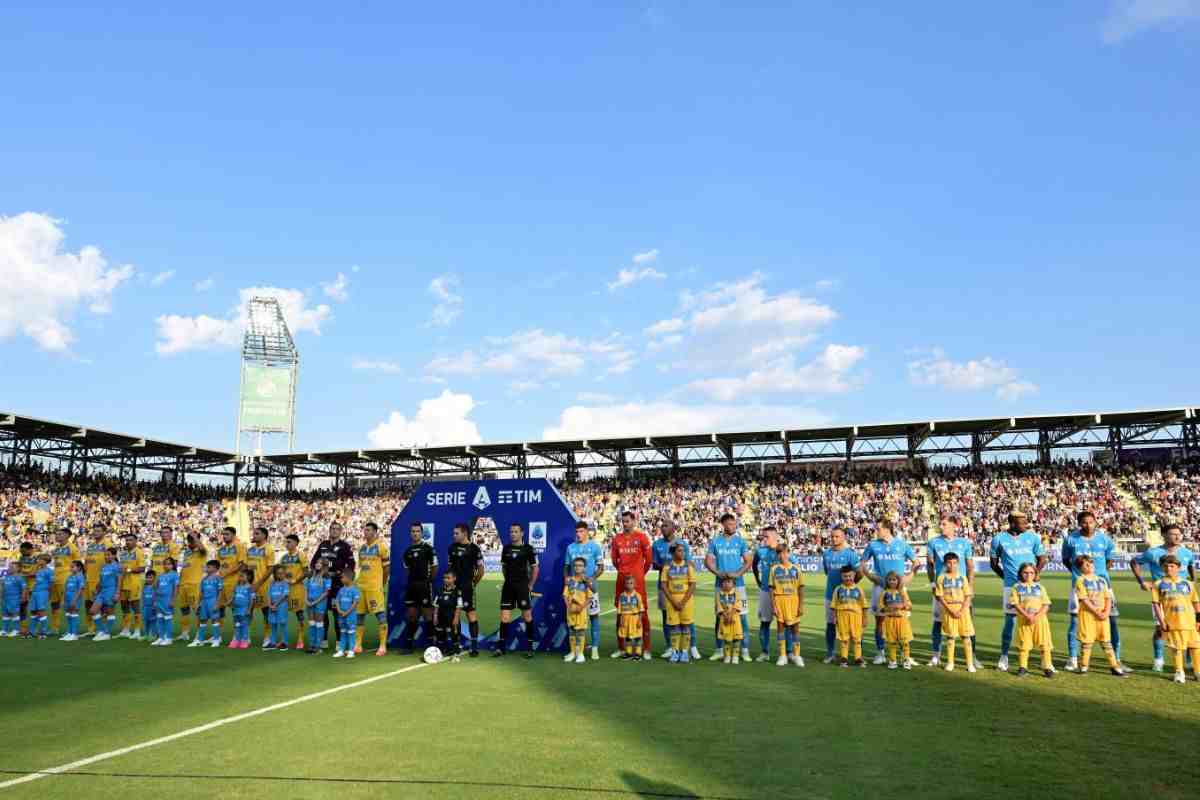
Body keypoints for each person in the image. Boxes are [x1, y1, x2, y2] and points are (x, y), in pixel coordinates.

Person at [1131, 522, 1195, 672]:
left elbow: (1191, 565)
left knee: (1188, 628)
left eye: (1179, 533)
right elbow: (1134, 561)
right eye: (1173, 534)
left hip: (1184, 598)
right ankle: (1159, 659)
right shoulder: (1153, 552)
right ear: (1164, 536)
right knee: (1161, 629)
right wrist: (1142, 581)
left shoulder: (1187, 553)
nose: (1177, 536)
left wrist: (1193, 581)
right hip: (1162, 597)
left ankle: (1188, 661)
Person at [1061, 511, 1121, 672]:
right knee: (1075, 622)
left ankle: (1117, 659)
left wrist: (1099, 575)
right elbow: (1066, 560)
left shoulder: (1104, 539)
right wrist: (1078, 574)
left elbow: (1110, 559)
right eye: (1084, 522)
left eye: (1091, 522)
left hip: (1103, 586)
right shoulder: (1070, 539)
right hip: (1079, 587)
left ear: (1096, 522)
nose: (1088, 525)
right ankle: (1073, 659)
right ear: (1079, 523)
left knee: (1112, 622)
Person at [989, 511, 1048, 672]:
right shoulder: (998, 539)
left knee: (1039, 621)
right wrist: (1006, 578)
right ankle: (1004, 656)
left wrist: (1036, 575)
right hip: (1011, 587)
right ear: (1012, 523)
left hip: (1032, 587)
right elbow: (993, 564)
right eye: (1022, 522)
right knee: (1010, 621)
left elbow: (1042, 558)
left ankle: (1045, 660)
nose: (1026, 525)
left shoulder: (1033, 537)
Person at [859, 519, 916, 665]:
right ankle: (881, 653)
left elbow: (917, 563)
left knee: (902, 619)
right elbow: (862, 564)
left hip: (899, 588)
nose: (876, 531)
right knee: (879, 620)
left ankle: (905, 655)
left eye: (878, 528)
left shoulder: (902, 544)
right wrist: (872, 577)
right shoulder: (873, 545)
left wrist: (908, 578)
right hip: (880, 588)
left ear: (887, 529)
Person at [926, 513, 976, 668]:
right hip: (943, 589)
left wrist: (971, 586)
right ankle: (936, 655)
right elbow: (929, 565)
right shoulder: (933, 542)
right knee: (937, 622)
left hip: (962, 591)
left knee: (968, 624)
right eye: (940, 524)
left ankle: (972, 657)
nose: (941, 527)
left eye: (944, 524)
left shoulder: (965, 543)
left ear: (955, 525)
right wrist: (933, 584)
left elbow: (970, 566)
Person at [705, 513, 752, 662]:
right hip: (720, 586)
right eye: (730, 524)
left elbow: (748, 561)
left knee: (742, 617)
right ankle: (719, 650)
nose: (733, 526)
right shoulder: (715, 542)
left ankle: (744, 650)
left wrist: (738, 574)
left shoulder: (740, 541)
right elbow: (709, 561)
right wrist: (718, 572)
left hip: (738, 586)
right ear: (723, 524)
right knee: (720, 618)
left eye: (734, 523)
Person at [1072, 555, 1128, 677]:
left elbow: (1108, 598)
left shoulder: (1102, 580)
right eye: (1086, 564)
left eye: (1091, 563)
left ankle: (1115, 667)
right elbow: (1084, 599)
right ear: (1080, 568)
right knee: (1087, 642)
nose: (1090, 566)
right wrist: (1096, 612)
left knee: (1106, 642)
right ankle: (1084, 667)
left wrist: (1107, 612)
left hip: (1103, 616)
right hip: (1088, 615)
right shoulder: (1080, 580)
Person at [1151, 555, 1200, 684]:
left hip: (1190, 622)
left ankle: (1197, 672)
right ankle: (1179, 672)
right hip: (1173, 622)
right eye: (1166, 566)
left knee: (1195, 646)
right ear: (1162, 567)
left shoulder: (1188, 584)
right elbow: (1156, 604)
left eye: (1172, 566)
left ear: (1178, 568)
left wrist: (1199, 620)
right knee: (1177, 648)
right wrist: (1161, 622)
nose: (1169, 568)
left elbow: (1195, 602)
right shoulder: (1158, 584)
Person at [611, 511, 653, 660]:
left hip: (638, 582)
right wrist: (623, 571)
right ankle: (622, 648)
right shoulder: (617, 539)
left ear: (634, 521)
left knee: (642, 614)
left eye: (627, 521)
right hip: (621, 580)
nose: (625, 524)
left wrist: (639, 573)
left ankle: (646, 648)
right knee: (621, 614)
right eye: (623, 521)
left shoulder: (642, 537)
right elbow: (614, 560)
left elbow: (648, 560)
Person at [496, 523, 539, 658]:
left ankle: (530, 648)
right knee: (504, 617)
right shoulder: (506, 549)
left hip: (522, 587)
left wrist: (530, 585)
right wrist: (508, 580)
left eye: (515, 531)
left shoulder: (528, 549)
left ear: (522, 533)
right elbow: (504, 568)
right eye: (511, 531)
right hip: (508, 587)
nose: (513, 534)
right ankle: (501, 648)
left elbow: (535, 568)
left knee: (527, 617)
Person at [309, 522, 355, 650]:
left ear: (341, 531)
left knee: (336, 613)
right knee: (322, 613)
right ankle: (323, 639)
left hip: (336, 586)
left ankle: (339, 641)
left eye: (337, 529)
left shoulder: (345, 546)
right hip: (322, 586)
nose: (334, 531)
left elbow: (351, 565)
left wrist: (341, 576)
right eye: (332, 528)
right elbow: (313, 562)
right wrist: (317, 573)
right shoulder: (323, 545)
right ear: (329, 530)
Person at [566, 520, 606, 661]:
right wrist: (566, 579)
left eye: (581, 531)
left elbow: (601, 568)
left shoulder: (595, 547)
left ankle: (594, 648)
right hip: (575, 590)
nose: (578, 534)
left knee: (594, 617)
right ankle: (576, 650)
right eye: (576, 531)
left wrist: (591, 578)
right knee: (574, 617)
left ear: (587, 531)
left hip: (589, 588)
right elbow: (566, 567)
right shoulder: (570, 548)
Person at [820, 526, 860, 664]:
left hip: (849, 597)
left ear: (844, 537)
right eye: (832, 536)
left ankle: (853, 655)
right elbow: (827, 572)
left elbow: (858, 572)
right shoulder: (826, 554)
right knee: (830, 625)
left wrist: (851, 586)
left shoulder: (851, 554)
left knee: (850, 626)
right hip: (830, 595)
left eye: (837, 536)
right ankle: (830, 653)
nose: (834, 539)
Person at [933, 553, 975, 673]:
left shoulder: (962, 577)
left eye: (955, 563)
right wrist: (950, 610)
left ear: (958, 563)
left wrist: (962, 610)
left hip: (963, 609)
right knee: (950, 637)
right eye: (949, 563)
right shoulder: (941, 578)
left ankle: (970, 664)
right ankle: (950, 662)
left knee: (966, 637)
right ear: (945, 564)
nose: (952, 565)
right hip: (948, 609)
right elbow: (940, 597)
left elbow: (967, 595)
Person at [1010, 563, 1054, 678]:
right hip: (1024, 621)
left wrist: (1036, 616)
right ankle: (1023, 667)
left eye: (1031, 572)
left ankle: (1047, 667)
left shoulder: (1040, 587)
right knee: (1024, 644)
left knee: (1045, 644)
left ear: (1035, 574)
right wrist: (1027, 616)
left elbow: (1046, 605)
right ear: (1021, 573)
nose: (1028, 575)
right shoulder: (1016, 587)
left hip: (1040, 620)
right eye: (1025, 572)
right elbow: (1016, 604)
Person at [448, 522, 484, 657]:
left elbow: (481, 570)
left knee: (471, 615)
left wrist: (473, 583)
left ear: (465, 533)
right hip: (454, 588)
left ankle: (474, 647)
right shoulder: (451, 548)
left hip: (467, 587)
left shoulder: (475, 549)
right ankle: (455, 646)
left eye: (456, 533)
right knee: (453, 617)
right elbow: (450, 569)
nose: (454, 535)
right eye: (454, 533)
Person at [399, 522, 437, 654]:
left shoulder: (428, 548)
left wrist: (428, 581)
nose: (415, 533)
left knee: (428, 615)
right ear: (410, 534)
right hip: (411, 586)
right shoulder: (407, 552)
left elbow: (434, 567)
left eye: (417, 531)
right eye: (413, 531)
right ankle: (409, 645)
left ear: (422, 533)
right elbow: (407, 569)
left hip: (424, 586)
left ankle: (432, 645)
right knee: (412, 615)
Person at [355, 522, 390, 657]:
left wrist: (382, 584)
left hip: (375, 587)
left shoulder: (381, 547)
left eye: (368, 530)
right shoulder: (362, 548)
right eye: (365, 530)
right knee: (359, 616)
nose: (365, 532)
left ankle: (382, 645)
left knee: (380, 615)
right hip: (361, 587)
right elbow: (361, 567)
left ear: (375, 532)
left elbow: (386, 568)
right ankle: (358, 645)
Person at [768, 541, 804, 667]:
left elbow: (800, 588)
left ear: (788, 553)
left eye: (783, 552)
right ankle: (782, 655)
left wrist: (801, 605)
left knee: (795, 629)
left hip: (793, 600)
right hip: (779, 600)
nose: (781, 555)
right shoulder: (774, 569)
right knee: (781, 628)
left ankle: (797, 655)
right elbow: (771, 589)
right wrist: (773, 606)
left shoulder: (796, 569)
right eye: (778, 553)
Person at [661, 543, 697, 664]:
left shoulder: (688, 566)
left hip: (686, 600)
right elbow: (663, 585)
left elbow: (692, 585)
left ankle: (685, 652)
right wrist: (673, 601)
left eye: (683, 551)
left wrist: (683, 601)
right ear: (673, 553)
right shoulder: (667, 567)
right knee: (674, 626)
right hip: (672, 600)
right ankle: (675, 651)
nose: (683, 553)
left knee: (686, 626)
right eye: (680, 551)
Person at [831, 565, 868, 667]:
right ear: (841, 577)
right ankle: (844, 658)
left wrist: (865, 618)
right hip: (842, 616)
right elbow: (834, 604)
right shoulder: (838, 589)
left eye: (850, 576)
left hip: (856, 616)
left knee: (857, 637)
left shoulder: (858, 589)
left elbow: (864, 605)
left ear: (854, 575)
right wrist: (834, 617)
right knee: (844, 638)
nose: (848, 578)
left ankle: (858, 658)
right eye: (845, 576)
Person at [752, 526, 780, 662]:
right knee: (764, 623)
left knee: (786, 624)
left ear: (775, 537)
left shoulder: (783, 551)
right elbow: (754, 565)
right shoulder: (760, 551)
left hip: (782, 593)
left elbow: (795, 568)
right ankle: (765, 652)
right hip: (765, 591)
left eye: (766, 536)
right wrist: (758, 580)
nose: (763, 539)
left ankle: (788, 652)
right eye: (762, 536)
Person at [876, 571, 913, 671]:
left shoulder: (902, 592)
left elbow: (909, 605)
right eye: (890, 580)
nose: (892, 582)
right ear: (887, 581)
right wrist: (889, 608)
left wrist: (901, 606)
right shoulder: (884, 593)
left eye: (894, 580)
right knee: (891, 642)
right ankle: (893, 660)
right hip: (890, 620)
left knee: (905, 641)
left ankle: (906, 660)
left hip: (902, 620)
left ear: (898, 581)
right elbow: (880, 607)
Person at [81, 527, 113, 637]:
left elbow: (111, 562)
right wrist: (84, 575)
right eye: (95, 531)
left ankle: (103, 630)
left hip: (101, 580)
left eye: (99, 531)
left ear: (104, 532)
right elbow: (86, 561)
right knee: (88, 604)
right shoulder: (90, 546)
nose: (96, 532)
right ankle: (91, 629)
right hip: (89, 579)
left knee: (102, 606)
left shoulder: (108, 544)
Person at [217, 526, 247, 643]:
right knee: (219, 610)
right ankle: (217, 636)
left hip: (234, 583)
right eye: (223, 534)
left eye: (227, 534)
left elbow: (242, 565)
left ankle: (240, 635)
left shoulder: (239, 546)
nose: (224, 536)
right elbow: (218, 565)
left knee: (236, 611)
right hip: (221, 583)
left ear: (233, 535)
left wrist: (227, 573)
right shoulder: (221, 549)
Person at [246, 527, 276, 648]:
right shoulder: (250, 550)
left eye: (257, 533)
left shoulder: (268, 549)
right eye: (254, 533)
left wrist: (259, 583)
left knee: (266, 612)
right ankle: (245, 636)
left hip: (263, 586)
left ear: (264, 536)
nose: (254, 535)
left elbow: (270, 568)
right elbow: (247, 568)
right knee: (248, 610)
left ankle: (267, 637)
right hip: (250, 586)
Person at [177, 533, 208, 643]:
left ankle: (200, 634)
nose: (190, 542)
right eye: (189, 540)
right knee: (184, 609)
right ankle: (185, 633)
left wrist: (196, 537)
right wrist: (179, 583)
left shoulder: (201, 552)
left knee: (197, 610)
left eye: (192, 541)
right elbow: (184, 568)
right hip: (183, 584)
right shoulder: (187, 552)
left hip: (194, 584)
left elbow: (203, 549)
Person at [279, 534, 308, 650]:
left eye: (289, 542)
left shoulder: (301, 555)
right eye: (286, 542)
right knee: (282, 614)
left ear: (296, 543)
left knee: (299, 614)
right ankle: (284, 640)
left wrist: (295, 580)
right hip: (285, 590)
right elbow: (280, 572)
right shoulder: (284, 557)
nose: (287, 544)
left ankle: (300, 639)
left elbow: (307, 572)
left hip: (297, 590)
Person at [50, 527, 80, 635]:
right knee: (54, 604)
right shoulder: (56, 549)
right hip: (55, 579)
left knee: (68, 605)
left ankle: (71, 630)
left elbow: (78, 564)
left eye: (60, 534)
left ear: (67, 536)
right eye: (57, 534)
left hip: (66, 579)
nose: (57, 536)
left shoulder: (73, 548)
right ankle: (55, 628)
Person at [563, 558, 592, 664]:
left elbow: (589, 598)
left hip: (581, 611)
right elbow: (565, 595)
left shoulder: (586, 581)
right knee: (571, 631)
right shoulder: (569, 581)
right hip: (570, 610)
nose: (577, 567)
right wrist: (568, 606)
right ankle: (573, 652)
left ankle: (580, 654)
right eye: (575, 565)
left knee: (580, 632)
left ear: (584, 567)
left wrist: (581, 607)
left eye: (580, 565)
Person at [117, 532, 146, 639]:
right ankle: (126, 629)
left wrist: (128, 570)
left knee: (135, 607)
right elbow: (120, 568)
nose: (128, 542)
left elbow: (142, 568)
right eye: (127, 540)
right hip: (123, 583)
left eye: (130, 540)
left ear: (135, 541)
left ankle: (137, 630)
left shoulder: (139, 552)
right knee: (124, 607)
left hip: (134, 583)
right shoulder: (123, 553)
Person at [90, 547, 122, 641]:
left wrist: (117, 593)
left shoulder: (117, 566)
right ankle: (101, 631)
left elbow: (119, 581)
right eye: (105, 555)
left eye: (108, 555)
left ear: (114, 555)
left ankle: (106, 633)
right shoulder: (104, 566)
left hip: (111, 590)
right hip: (102, 591)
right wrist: (97, 590)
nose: (106, 556)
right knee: (93, 610)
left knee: (109, 611)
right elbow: (101, 580)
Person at [191, 559, 223, 647]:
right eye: (206, 567)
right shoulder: (204, 579)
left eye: (208, 567)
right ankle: (200, 640)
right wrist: (198, 603)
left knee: (215, 620)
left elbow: (220, 592)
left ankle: (216, 640)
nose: (206, 568)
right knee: (202, 620)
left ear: (215, 568)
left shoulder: (218, 578)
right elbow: (201, 592)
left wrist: (217, 603)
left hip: (213, 601)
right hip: (204, 602)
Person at [304, 560, 332, 655]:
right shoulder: (311, 575)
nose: (317, 564)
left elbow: (326, 592)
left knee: (319, 623)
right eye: (317, 562)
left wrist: (315, 602)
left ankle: (318, 646)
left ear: (324, 565)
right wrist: (306, 600)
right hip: (309, 603)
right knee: (312, 623)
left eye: (319, 563)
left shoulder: (326, 576)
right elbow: (306, 589)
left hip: (320, 603)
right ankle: (311, 645)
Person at [434, 570, 462, 662]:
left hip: (452, 617)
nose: (446, 580)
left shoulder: (457, 591)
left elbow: (458, 607)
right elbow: (436, 605)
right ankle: (440, 651)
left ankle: (456, 652)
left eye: (448, 578)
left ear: (454, 579)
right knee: (440, 635)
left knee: (454, 635)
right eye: (445, 578)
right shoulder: (440, 590)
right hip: (441, 617)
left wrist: (456, 618)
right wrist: (435, 616)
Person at [333, 569, 361, 659]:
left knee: (351, 633)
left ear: (349, 578)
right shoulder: (341, 589)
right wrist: (339, 610)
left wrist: (347, 612)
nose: (341, 579)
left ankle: (351, 651)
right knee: (343, 632)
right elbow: (337, 600)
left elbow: (355, 603)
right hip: (341, 615)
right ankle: (341, 650)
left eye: (343, 577)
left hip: (350, 616)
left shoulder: (355, 590)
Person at [716, 576, 743, 665]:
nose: (726, 584)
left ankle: (735, 656)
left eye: (728, 582)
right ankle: (727, 656)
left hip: (735, 619)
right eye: (724, 582)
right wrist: (724, 615)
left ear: (733, 584)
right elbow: (718, 606)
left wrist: (730, 615)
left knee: (736, 639)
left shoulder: (737, 593)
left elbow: (737, 605)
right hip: (724, 620)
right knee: (726, 639)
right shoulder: (719, 594)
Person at [617, 575, 645, 661]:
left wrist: (639, 620)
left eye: (631, 583)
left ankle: (638, 653)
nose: (629, 585)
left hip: (635, 618)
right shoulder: (622, 596)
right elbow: (620, 610)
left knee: (638, 636)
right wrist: (621, 620)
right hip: (625, 618)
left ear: (635, 584)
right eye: (627, 583)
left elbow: (641, 609)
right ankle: (628, 653)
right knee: (627, 636)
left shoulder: (637, 596)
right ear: (625, 585)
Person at [153, 557, 179, 646]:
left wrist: (173, 600)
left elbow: (176, 588)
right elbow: (156, 587)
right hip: (159, 600)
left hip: (167, 600)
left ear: (172, 565)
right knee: (159, 618)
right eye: (165, 564)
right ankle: (161, 637)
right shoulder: (161, 575)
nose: (166, 566)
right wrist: (155, 599)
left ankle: (169, 638)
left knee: (168, 619)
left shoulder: (174, 575)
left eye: (169, 564)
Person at [229, 568, 256, 649]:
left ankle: (245, 640)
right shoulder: (237, 587)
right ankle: (236, 640)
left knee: (244, 625)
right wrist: (229, 602)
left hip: (244, 610)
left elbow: (252, 600)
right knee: (237, 625)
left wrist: (249, 610)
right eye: (239, 576)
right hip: (236, 610)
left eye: (242, 576)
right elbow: (233, 596)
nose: (240, 578)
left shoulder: (250, 587)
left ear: (249, 577)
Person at [28, 554, 53, 638]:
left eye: (39, 559)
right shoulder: (38, 569)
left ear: (45, 561)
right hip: (35, 592)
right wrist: (36, 566)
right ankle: (32, 631)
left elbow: (51, 583)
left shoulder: (49, 571)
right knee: (33, 611)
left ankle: (44, 631)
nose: (38, 561)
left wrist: (49, 594)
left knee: (41, 611)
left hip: (42, 592)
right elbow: (31, 574)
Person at [60, 560, 85, 641]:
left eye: (72, 567)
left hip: (74, 597)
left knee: (74, 613)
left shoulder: (80, 576)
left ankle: (74, 634)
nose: (70, 568)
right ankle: (70, 632)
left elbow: (80, 590)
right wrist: (63, 599)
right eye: (70, 567)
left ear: (79, 568)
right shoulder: (70, 576)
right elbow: (65, 588)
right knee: (68, 614)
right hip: (68, 597)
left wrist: (75, 600)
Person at [267, 564, 290, 651]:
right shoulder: (272, 583)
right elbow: (269, 594)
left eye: (282, 573)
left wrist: (275, 605)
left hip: (281, 607)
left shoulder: (285, 583)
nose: (280, 575)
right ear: (275, 574)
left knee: (283, 624)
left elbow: (285, 596)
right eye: (278, 573)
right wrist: (270, 605)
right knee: (273, 624)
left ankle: (284, 643)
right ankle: (272, 643)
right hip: (272, 607)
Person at [2, 565, 25, 637]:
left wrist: (23, 597)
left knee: (14, 613)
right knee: (5, 614)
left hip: (14, 598)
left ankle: (16, 630)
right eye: (9, 567)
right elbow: (3, 588)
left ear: (17, 569)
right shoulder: (6, 578)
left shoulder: (19, 578)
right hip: (5, 598)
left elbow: (24, 588)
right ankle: (4, 630)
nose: (9, 569)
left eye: (11, 568)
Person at [140, 569, 158, 642]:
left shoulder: (155, 587)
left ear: (154, 578)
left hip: (152, 607)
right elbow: (143, 597)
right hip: (145, 607)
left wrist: (155, 605)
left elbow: (156, 597)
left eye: (150, 577)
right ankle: (146, 634)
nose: (149, 579)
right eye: (147, 577)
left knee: (153, 621)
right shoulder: (144, 587)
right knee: (146, 621)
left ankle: (154, 635)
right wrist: (142, 605)